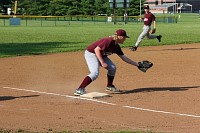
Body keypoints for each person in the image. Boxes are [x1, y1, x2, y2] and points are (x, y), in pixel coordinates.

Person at [74, 29, 140, 96]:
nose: (125, 39)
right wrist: (102, 62)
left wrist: (137, 64)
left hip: (101, 55)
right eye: (124, 37)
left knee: (112, 68)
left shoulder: (116, 46)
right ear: (120, 37)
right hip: (91, 53)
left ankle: (109, 86)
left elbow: (124, 58)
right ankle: (80, 89)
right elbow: (96, 50)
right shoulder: (109, 41)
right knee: (95, 73)